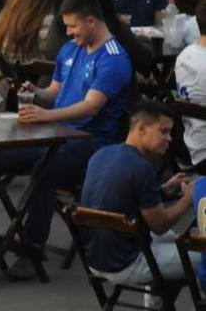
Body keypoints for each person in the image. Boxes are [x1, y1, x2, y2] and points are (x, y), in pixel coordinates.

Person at [0, 0, 134, 278]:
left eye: (72, 26)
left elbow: (91, 107)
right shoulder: (71, 49)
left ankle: (33, 248)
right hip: (52, 132)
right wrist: (36, 93)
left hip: (89, 143)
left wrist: (46, 115)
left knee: (46, 169)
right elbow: (55, 92)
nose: (68, 33)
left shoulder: (114, 59)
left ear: (91, 21)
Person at [79, 101, 199, 293]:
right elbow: (159, 225)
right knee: (202, 256)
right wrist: (188, 199)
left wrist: (165, 188)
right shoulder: (141, 168)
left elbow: (122, 194)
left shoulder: (102, 154)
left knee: (176, 239)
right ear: (142, 128)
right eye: (164, 131)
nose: (169, 139)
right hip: (127, 262)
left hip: (95, 258)